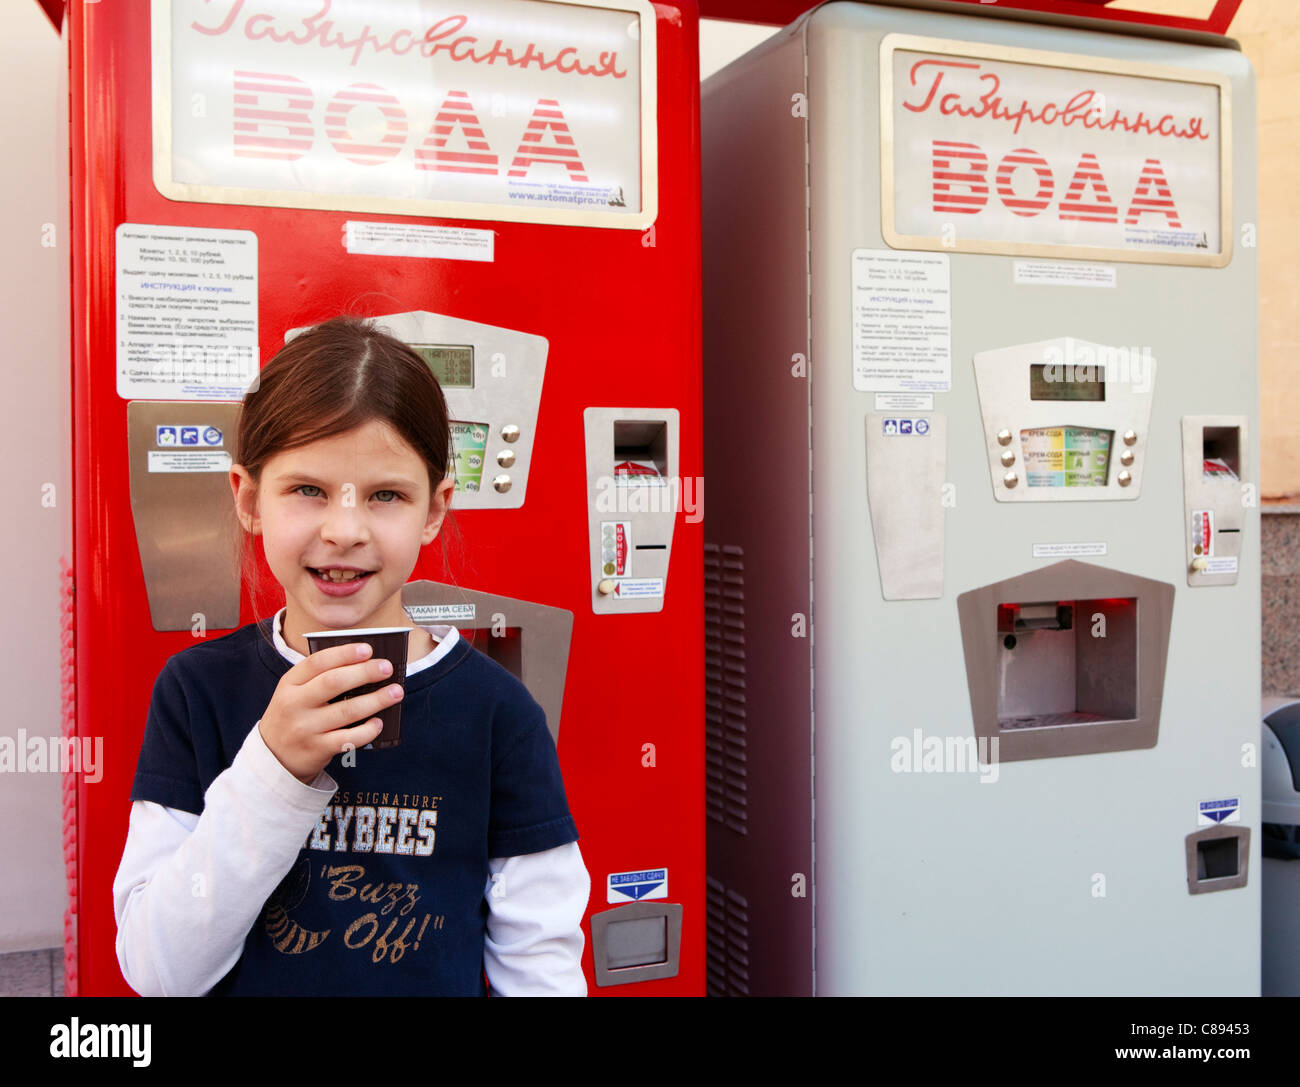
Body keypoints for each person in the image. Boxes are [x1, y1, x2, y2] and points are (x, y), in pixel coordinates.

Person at [113, 316, 589, 996]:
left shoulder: (498, 713)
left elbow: (540, 964)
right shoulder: (197, 691)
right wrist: (273, 766)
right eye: (307, 489)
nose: (344, 530)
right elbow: (160, 972)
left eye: (385, 495)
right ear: (248, 498)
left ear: (434, 509)